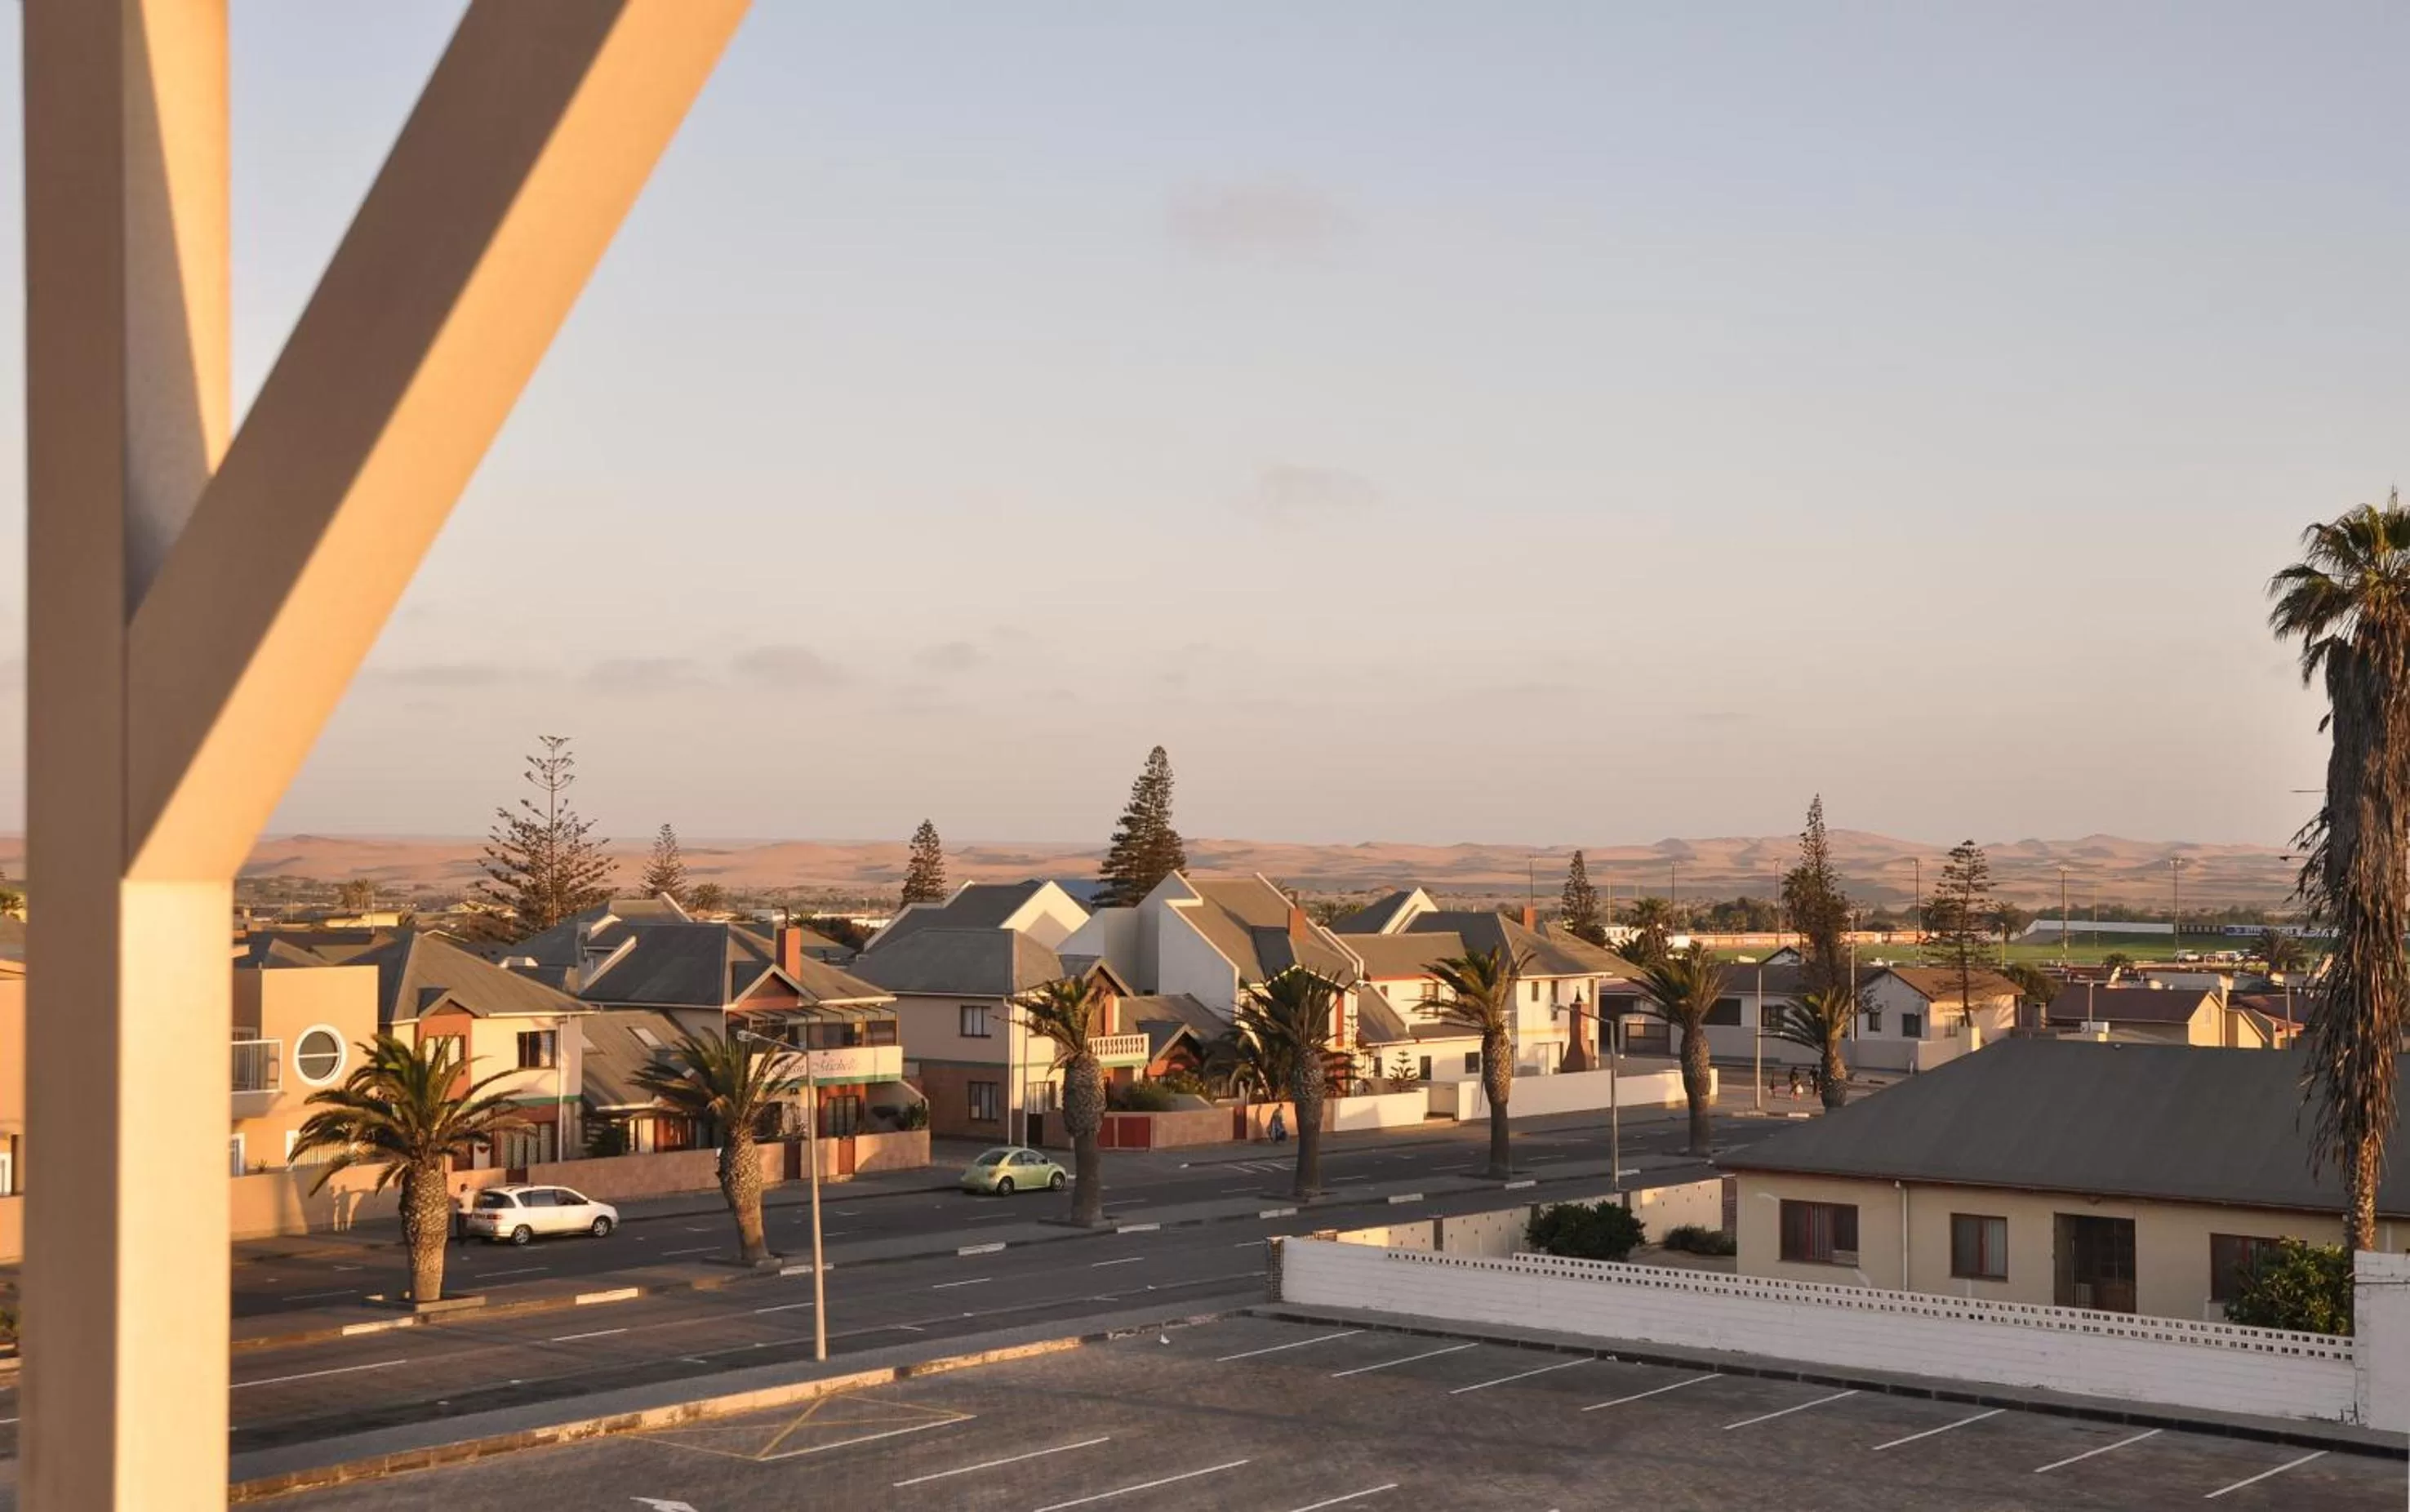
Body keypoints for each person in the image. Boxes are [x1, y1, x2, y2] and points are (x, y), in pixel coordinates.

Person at [452, 1182, 473, 1246]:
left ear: (462, 1188)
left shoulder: (461, 1194)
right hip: (468, 1212)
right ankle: (465, 1239)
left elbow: (457, 1200)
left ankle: (462, 1241)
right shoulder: (471, 1194)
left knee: (460, 1227)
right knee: (465, 1226)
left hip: (461, 1212)